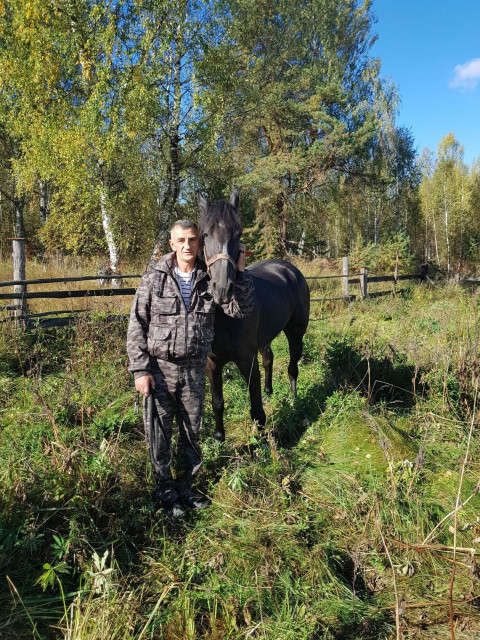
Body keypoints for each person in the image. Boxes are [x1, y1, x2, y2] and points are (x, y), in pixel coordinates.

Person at [127, 220, 254, 519]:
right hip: (160, 369)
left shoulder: (209, 278)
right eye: (181, 240)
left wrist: (242, 269)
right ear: (172, 244)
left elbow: (241, 309)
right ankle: (165, 490)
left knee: (191, 431)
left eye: (193, 240)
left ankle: (186, 485)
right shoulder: (154, 278)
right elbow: (136, 325)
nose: (187, 245)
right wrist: (140, 370)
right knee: (159, 432)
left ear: (201, 244)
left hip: (196, 369)